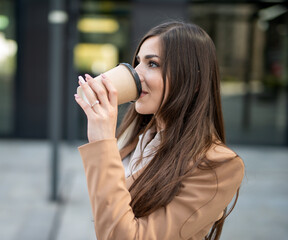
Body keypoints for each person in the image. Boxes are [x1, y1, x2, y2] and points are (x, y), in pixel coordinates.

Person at [74, 21, 244, 240]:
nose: (136, 75)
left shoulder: (218, 165)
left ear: (194, 82)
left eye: (152, 64)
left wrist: (102, 142)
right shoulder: (136, 136)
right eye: (137, 63)